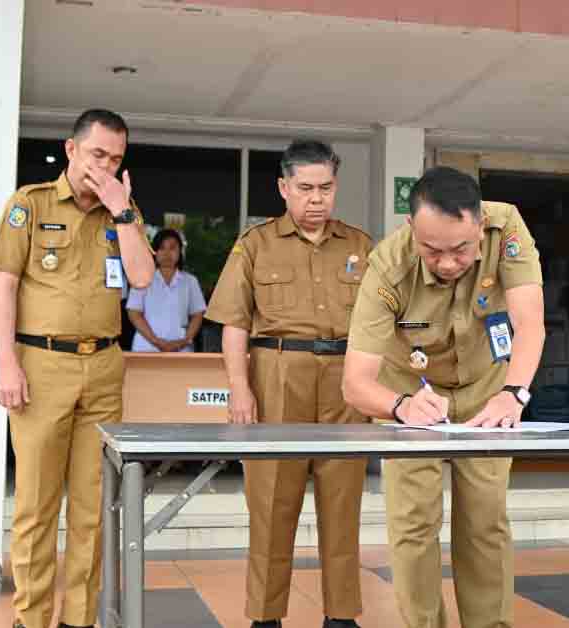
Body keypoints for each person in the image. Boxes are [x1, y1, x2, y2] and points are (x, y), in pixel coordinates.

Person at [341, 166, 546, 628]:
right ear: (411, 229)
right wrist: (400, 406)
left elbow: (530, 321)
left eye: (462, 249)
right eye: (432, 251)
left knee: (484, 521)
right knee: (414, 524)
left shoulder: (505, 225)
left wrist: (514, 393)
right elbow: (355, 382)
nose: (449, 262)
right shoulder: (387, 266)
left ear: (479, 225)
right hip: (410, 394)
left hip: (489, 390)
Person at [0, 109, 154, 628]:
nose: (104, 167)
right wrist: (7, 364)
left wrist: (123, 212)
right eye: (97, 154)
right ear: (71, 149)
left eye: (116, 159)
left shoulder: (122, 213)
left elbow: (143, 276)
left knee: (93, 509)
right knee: (37, 507)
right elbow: (4, 287)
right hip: (41, 365)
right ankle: (30, 619)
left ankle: (79, 620)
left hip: (103, 367)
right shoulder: (30, 205)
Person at [205, 140, 373, 628]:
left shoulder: (361, 246)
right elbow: (233, 322)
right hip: (277, 374)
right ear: (283, 188)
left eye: (325, 188)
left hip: (344, 380)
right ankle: (265, 616)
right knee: (272, 503)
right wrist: (240, 388)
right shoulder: (255, 244)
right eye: (305, 188)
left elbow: (384, 321)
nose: (316, 199)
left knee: (343, 501)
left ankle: (341, 616)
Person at [127, 228, 207, 352]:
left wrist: (185, 340)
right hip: (146, 347)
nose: (167, 253)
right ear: (154, 251)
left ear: (180, 251)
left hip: (181, 348)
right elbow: (134, 313)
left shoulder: (190, 281)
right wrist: (156, 341)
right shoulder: (142, 277)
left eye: (172, 248)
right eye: (162, 248)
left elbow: (197, 314)